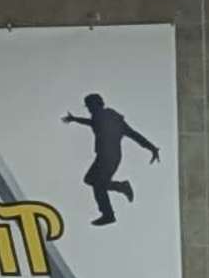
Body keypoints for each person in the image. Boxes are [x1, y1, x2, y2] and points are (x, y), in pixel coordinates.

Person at [66, 90, 159, 225]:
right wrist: (75, 119)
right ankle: (121, 187)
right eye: (89, 108)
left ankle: (108, 214)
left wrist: (152, 148)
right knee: (90, 179)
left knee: (97, 184)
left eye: (91, 107)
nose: (90, 111)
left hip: (109, 157)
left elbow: (134, 134)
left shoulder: (108, 117)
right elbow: (90, 122)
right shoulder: (99, 117)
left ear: (98, 105)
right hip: (104, 156)